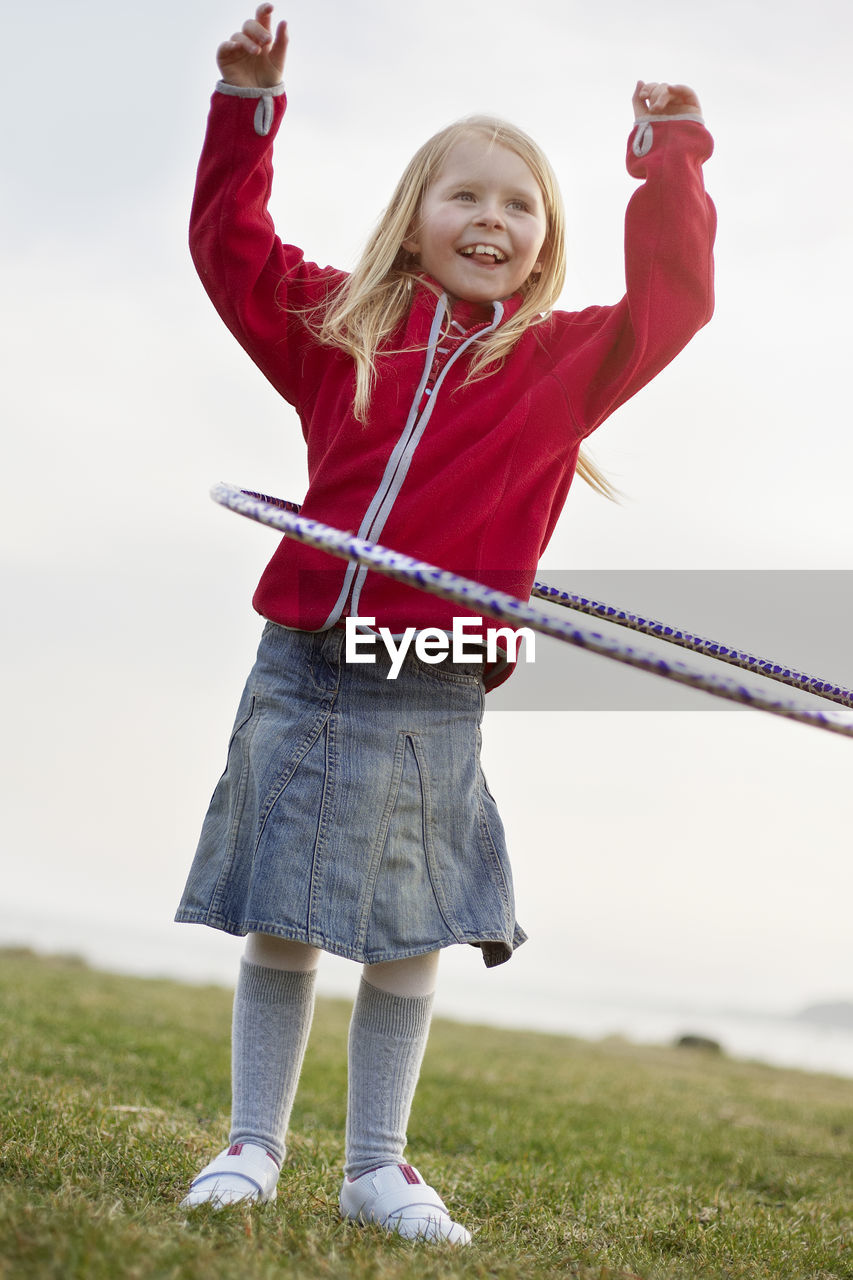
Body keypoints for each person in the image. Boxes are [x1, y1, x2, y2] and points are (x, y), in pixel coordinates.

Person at [175, 3, 715, 1244]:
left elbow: (675, 300)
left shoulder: (559, 364)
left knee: (409, 920)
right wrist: (248, 108)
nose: (492, 218)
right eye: (464, 195)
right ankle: (253, 1141)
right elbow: (232, 251)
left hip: (436, 673)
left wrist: (670, 154)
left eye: (518, 206)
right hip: (310, 658)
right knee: (283, 901)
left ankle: (377, 1164)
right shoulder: (342, 327)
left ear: (542, 245)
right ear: (413, 219)